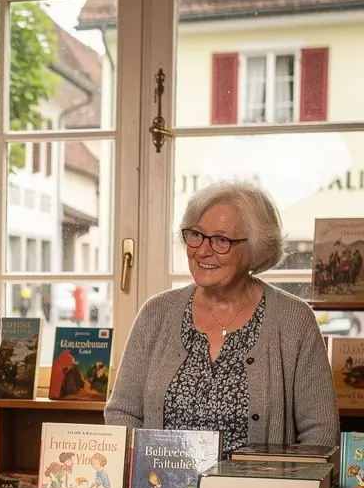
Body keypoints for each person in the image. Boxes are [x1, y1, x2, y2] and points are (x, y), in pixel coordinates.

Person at [105, 181, 338, 452]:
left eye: (221, 240)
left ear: (256, 249)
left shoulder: (294, 320)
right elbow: (122, 413)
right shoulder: (156, 313)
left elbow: (321, 433)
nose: (202, 250)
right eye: (196, 235)